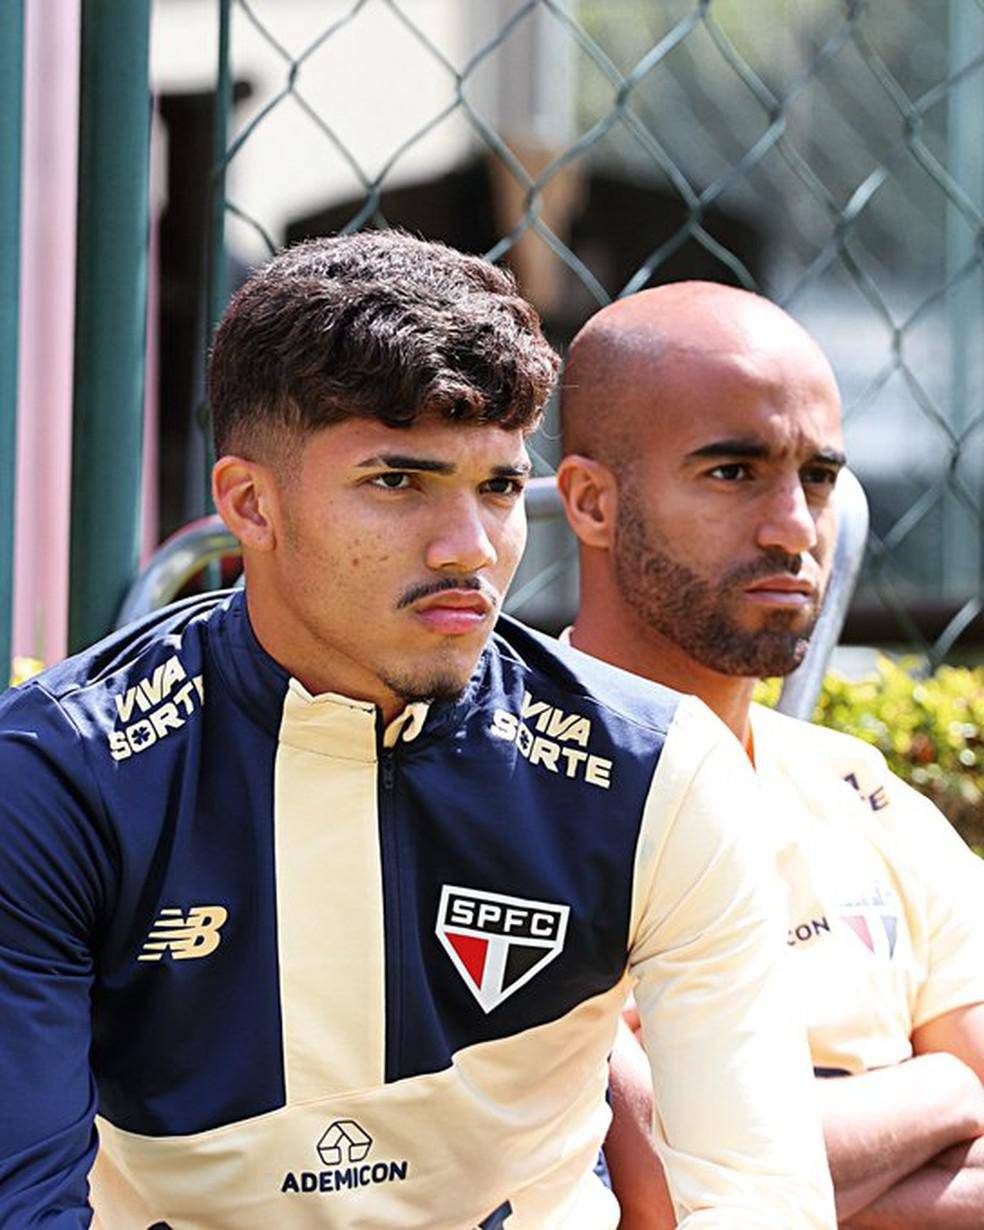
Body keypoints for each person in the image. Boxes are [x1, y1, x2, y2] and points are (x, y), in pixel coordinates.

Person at [0, 233, 834, 1228]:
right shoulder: (58, 780)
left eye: (495, 486)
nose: (469, 549)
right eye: (399, 483)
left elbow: (761, 1199)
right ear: (249, 505)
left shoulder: (660, 773)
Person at [556, 280, 984, 1229]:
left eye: (820, 477)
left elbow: (712, 1186)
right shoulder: (517, 792)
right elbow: (657, 1193)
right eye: (733, 472)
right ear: (590, 502)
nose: (794, 525)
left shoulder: (858, 790)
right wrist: (945, 1090)